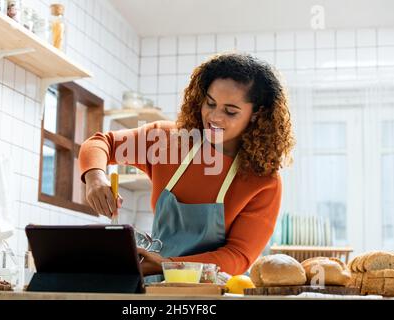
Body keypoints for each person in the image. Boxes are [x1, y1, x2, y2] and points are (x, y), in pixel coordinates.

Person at [78, 53, 295, 279]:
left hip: (210, 290)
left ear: (257, 115)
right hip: (152, 284)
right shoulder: (166, 140)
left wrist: (167, 265)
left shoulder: (263, 181)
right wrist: (94, 177)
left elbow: (237, 256)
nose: (214, 117)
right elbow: (103, 143)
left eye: (230, 111)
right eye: (210, 103)